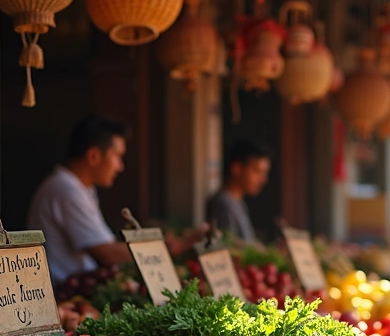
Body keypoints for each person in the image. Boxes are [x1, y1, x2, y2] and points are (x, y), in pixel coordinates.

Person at [27, 115, 208, 290]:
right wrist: (168, 247)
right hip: (65, 295)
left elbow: (106, 243)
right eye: (117, 156)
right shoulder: (66, 190)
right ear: (93, 156)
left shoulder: (80, 189)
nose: (120, 166)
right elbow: (107, 252)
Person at [206, 140, 271, 243]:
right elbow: (228, 245)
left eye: (264, 173)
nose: (263, 179)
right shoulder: (224, 204)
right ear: (237, 169)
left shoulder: (238, 203)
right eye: (256, 171)